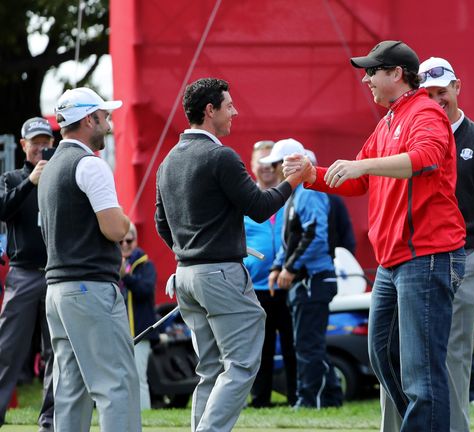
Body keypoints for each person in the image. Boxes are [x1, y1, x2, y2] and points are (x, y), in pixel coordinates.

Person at [284, 40, 474, 431]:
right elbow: (359, 180)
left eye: (372, 71)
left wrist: (361, 166)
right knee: (384, 357)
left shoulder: (425, 111)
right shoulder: (389, 119)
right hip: (396, 261)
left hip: (427, 255)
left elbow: (425, 160)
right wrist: (311, 174)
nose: (365, 78)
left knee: (422, 371)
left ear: (397, 74)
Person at [154, 78, 311, 431]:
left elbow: (161, 224)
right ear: (210, 111)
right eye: (229, 106)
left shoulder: (168, 161)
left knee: (210, 368)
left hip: (186, 276)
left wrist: (188, 252)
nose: (234, 112)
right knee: (241, 365)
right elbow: (259, 206)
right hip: (219, 274)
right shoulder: (220, 156)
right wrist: (294, 180)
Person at [378, 56, 474, 432]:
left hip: (464, 257)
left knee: (453, 355)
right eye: (429, 93)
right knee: (395, 355)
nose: (437, 99)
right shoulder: (403, 128)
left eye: (443, 91)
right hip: (408, 257)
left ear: (458, 88)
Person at [38, 87, 140, 432]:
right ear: (88, 119)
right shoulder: (89, 165)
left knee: (70, 388)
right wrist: (125, 220)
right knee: (117, 383)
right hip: (89, 289)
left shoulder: (50, 168)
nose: (109, 124)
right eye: (104, 116)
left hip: (57, 291)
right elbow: (115, 230)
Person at [265, 139, 344, 409]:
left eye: (278, 164)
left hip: (313, 278)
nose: (274, 170)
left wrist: (289, 268)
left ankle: (309, 400)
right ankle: (331, 397)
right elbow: (289, 240)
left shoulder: (308, 192)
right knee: (308, 343)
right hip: (308, 279)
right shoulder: (293, 195)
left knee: (307, 345)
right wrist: (278, 267)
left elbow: (315, 235)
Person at [0, 117, 55, 431]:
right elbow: (3, 209)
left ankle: (49, 420)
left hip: (55, 273)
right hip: (22, 273)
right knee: (8, 349)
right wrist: (30, 182)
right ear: (23, 145)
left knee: (55, 352)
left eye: (46, 140)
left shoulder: (58, 175)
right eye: (35, 141)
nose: (41, 146)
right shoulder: (12, 178)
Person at [244, 140, 297, 408]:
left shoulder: (290, 197)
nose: (267, 168)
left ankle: (295, 397)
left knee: (292, 343)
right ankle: (260, 399)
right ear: (253, 166)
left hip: (288, 283)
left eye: (271, 162)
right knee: (260, 348)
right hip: (257, 287)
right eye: (261, 163)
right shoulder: (244, 201)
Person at [119, 222, 158, 409]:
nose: (125, 244)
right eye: (121, 241)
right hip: (117, 333)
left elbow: (145, 290)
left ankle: (146, 418)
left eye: (129, 240)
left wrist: (125, 276)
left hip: (140, 333)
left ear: (135, 240)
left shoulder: (146, 265)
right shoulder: (108, 265)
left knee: (139, 378)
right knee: (118, 380)